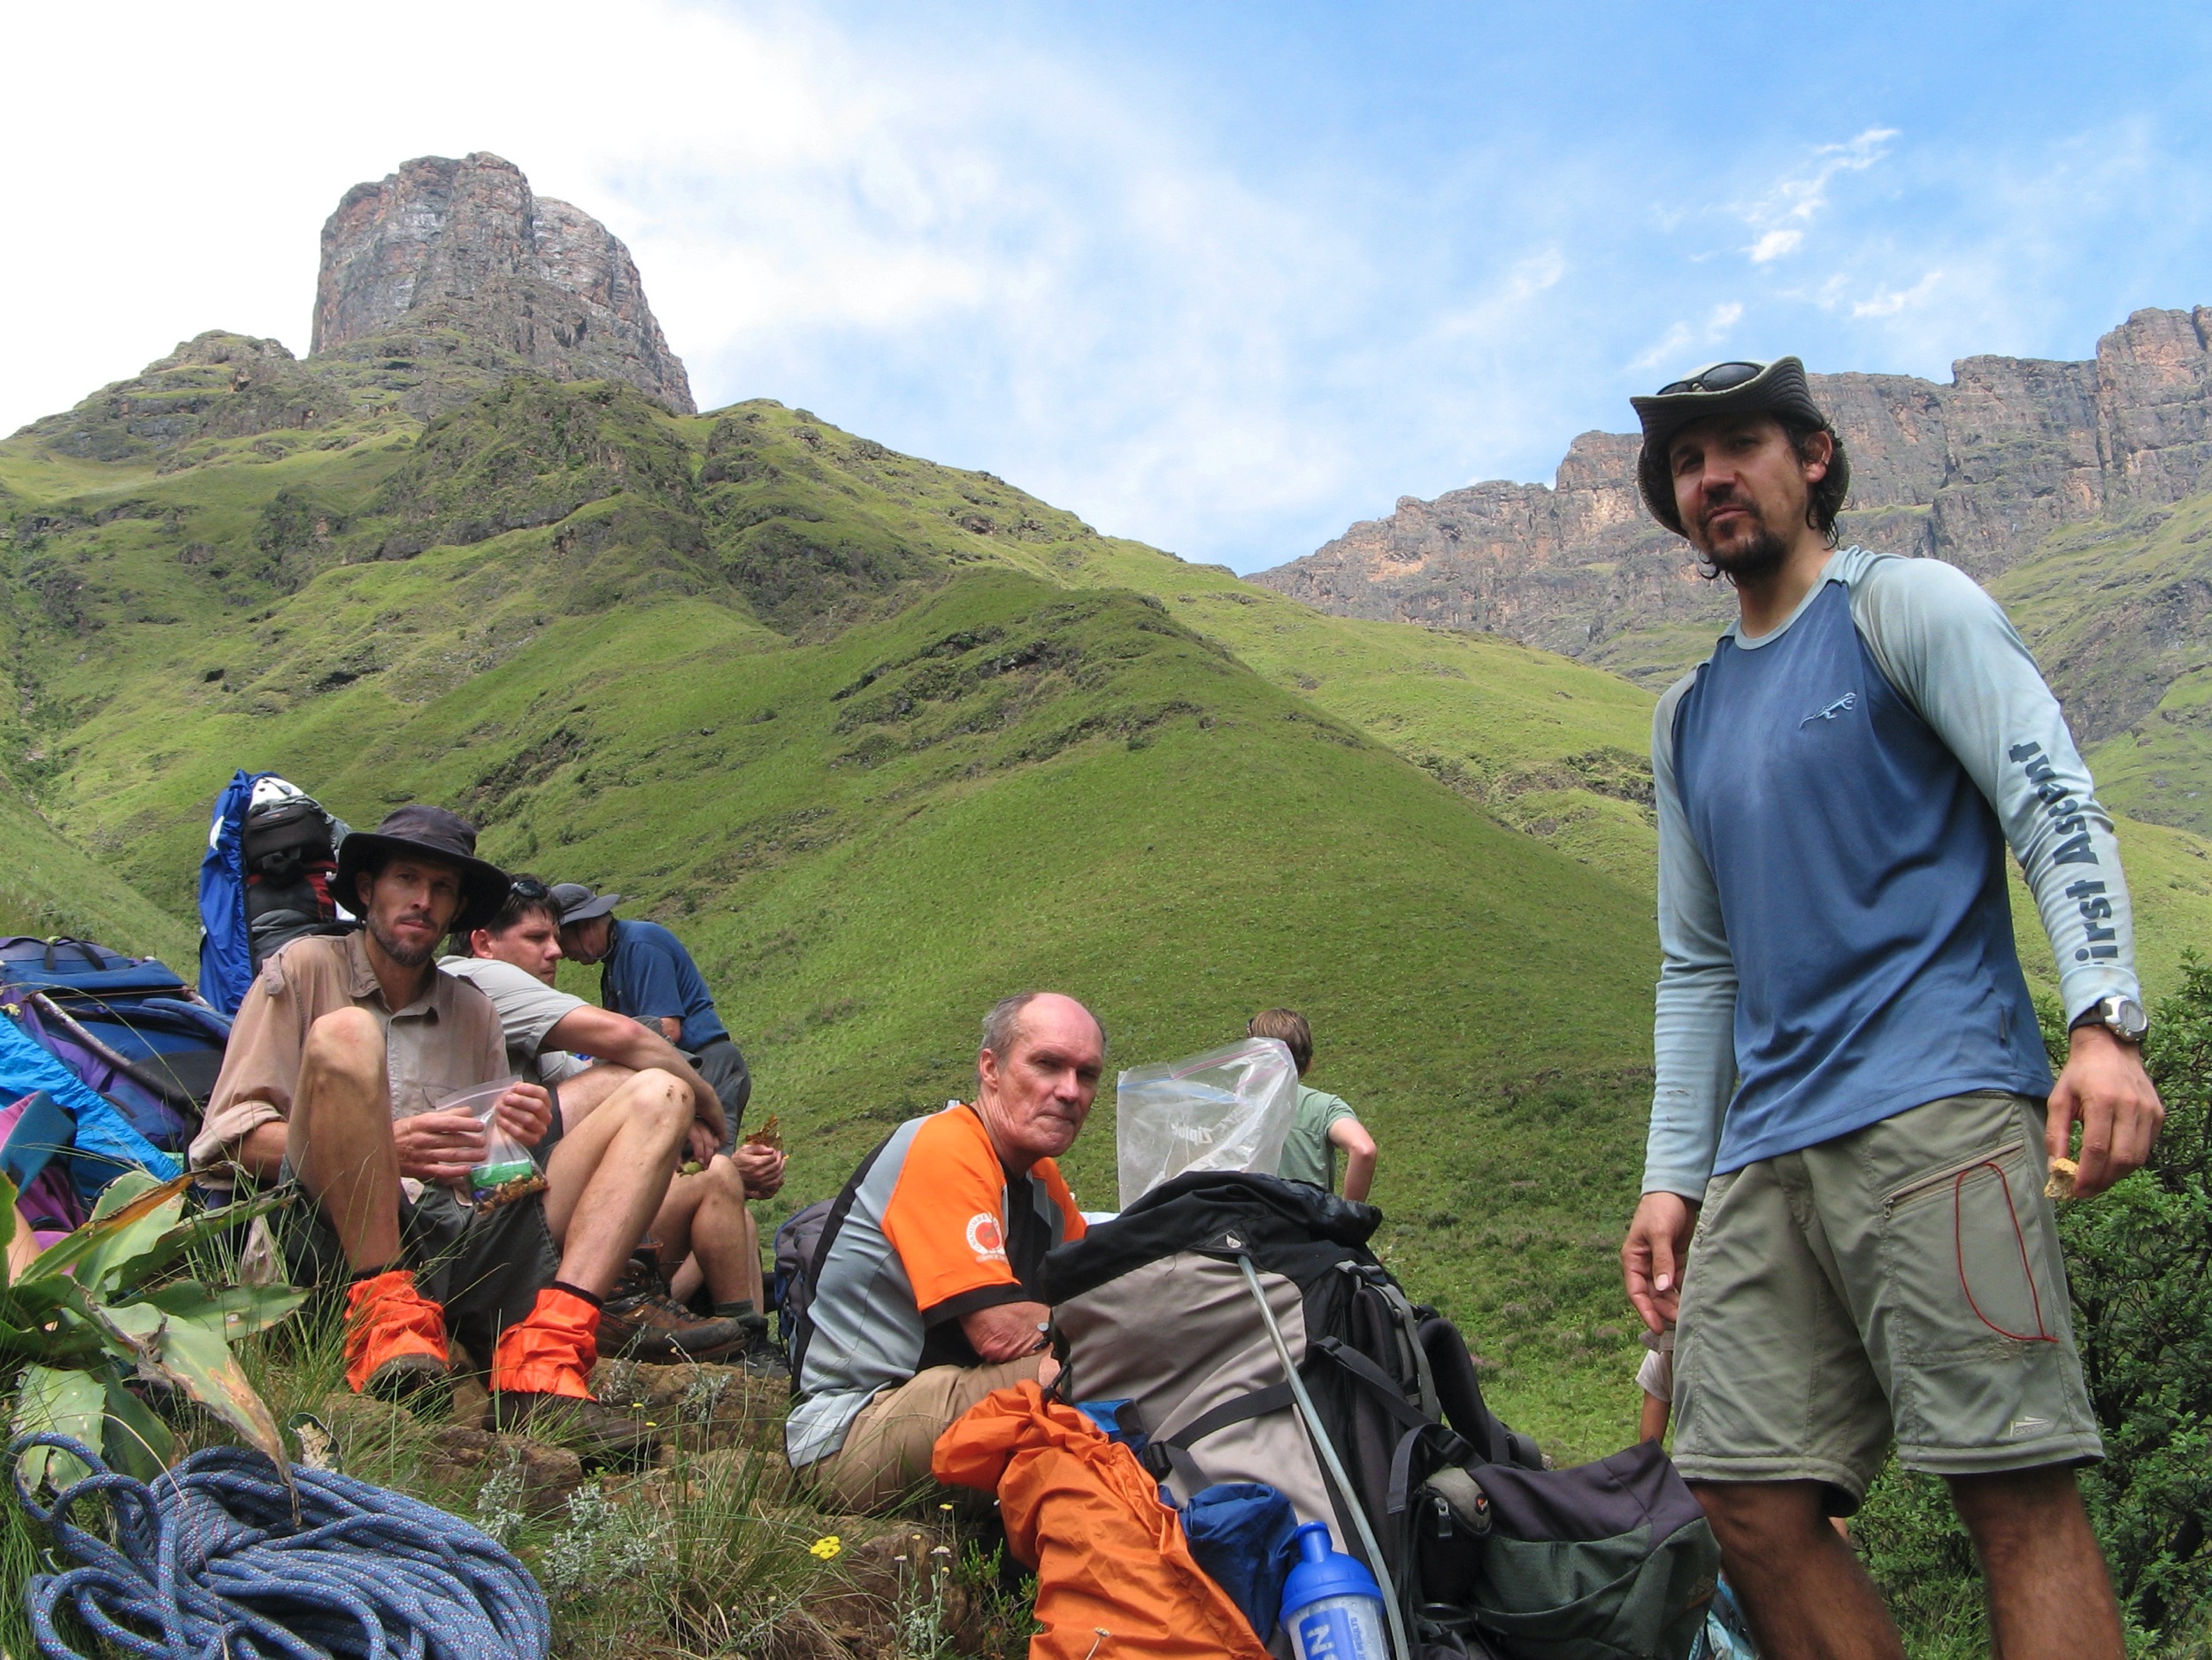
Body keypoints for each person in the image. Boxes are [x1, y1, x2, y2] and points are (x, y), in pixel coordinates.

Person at [1617, 357, 2165, 1660]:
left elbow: (2050, 794)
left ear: (1812, 458)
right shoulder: (1686, 716)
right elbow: (1699, 966)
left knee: (2013, 1488)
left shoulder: (1904, 608)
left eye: (1738, 446)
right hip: (1766, 1151)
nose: (1712, 480)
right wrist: (1669, 1177)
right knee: (1738, 1494)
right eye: (1688, 465)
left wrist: (2104, 1022)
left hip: (1941, 1114)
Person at [190, 805, 705, 1464]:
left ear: (458, 908)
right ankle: (386, 1324)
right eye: (407, 879)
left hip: (452, 1248)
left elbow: (488, 1180)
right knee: (346, 1034)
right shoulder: (303, 968)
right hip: (327, 1245)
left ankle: (542, 1359)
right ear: (368, 888)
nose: (423, 901)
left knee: (664, 1092)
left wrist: (522, 1142)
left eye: (441, 890)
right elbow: (227, 1142)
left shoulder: (473, 1010)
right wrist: (383, 1148)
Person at [442, 877, 787, 1369]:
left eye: (555, 938)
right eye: (537, 939)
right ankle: (618, 1290)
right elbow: (629, 1040)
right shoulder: (475, 976)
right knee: (636, 1081)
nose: (555, 951)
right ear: (483, 943)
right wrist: (701, 1103)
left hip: (530, 1206)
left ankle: (747, 1348)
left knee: (719, 1180)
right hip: (486, 1217)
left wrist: (722, 1159)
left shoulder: (542, 1035)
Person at [785, 991, 1102, 1513]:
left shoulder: (1041, 1181)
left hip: (948, 1401)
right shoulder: (943, 1146)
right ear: (991, 1068)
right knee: (1089, 1367)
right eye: (1047, 1065)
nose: (1068, 1091)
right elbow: (1001, 1333)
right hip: (854, 1430)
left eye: (1085, 1075)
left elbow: (1094, 1290)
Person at [552, 884, 752, 1139]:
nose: (562, 953)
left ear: (584, 926)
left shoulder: (641, 944)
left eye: (562, 940)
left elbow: (666, 1029)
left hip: (705, 1064)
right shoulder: (615, 962)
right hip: (684, 1071)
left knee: (710, 1166)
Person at [1247, 1008, 1377, 1201]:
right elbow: (1364, 1150)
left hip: (1244, 1227)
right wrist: (1348, 1221)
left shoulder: (1229, 1104)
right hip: (1307, 1227)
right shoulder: (1324, 1107)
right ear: (1309, 1064)